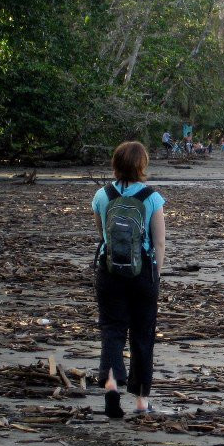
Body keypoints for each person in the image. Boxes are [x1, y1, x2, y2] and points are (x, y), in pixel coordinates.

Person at [91, 142, 166, 418]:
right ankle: (141, 402)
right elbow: (158, 242)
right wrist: (155, 276)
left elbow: (103, 237)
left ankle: (111, 385)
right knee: (143, 335)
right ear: (141, 165)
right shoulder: (151, 197)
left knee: (111, 329)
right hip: (142, 271)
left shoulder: (102, 194)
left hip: (109, 271)